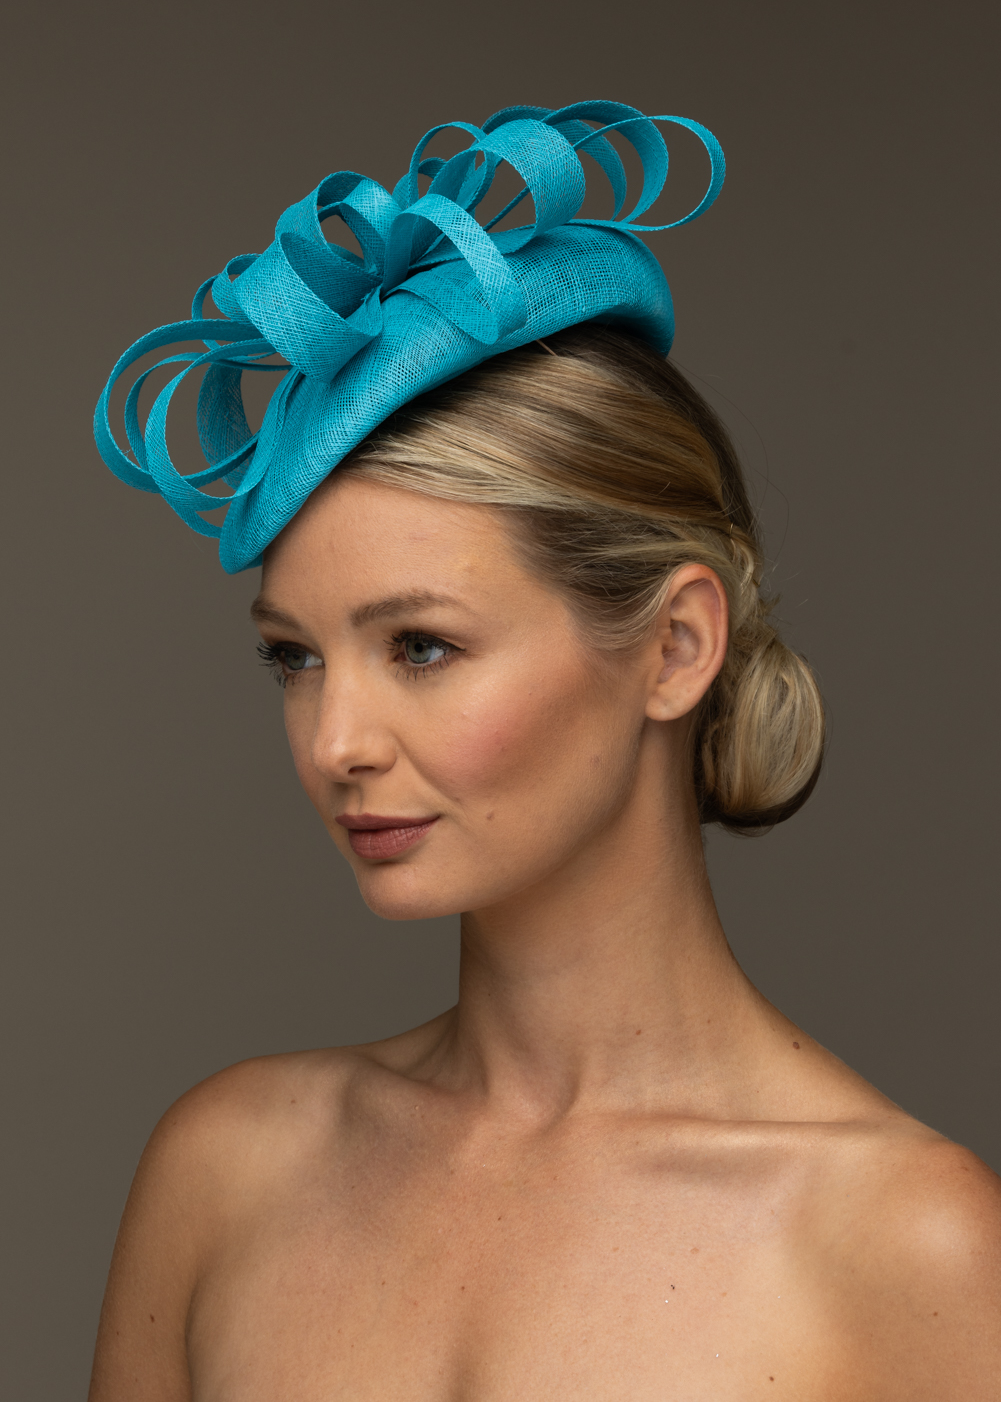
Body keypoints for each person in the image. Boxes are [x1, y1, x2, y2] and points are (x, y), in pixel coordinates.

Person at [89, 102, 1001, 1401]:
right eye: (294, 657)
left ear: (676, 647)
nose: (335, 743)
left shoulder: (906, 1249)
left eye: (420, 646)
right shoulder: (228, 1173)